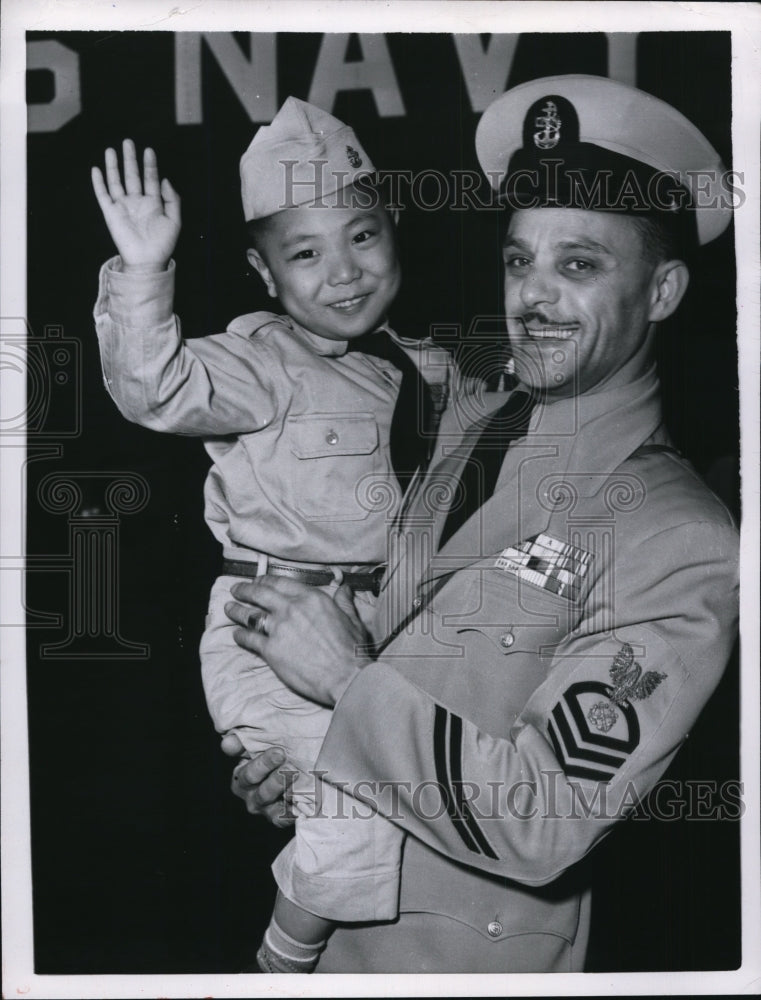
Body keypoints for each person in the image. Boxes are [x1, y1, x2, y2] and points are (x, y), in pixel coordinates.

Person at [224, 75, 740, 973]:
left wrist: (347, 684)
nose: (532, 297)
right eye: (517, 260)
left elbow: (543, 819)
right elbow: (401, 655)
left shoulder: (678, 539)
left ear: (661, 292)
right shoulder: (468, 422)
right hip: (331, 935)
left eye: (577, 265)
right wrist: (308, 753)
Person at [90, 97, 451, 972]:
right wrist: (143, 271)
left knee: (408, 798)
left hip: (380, 633)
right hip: (268, 622)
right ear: (263, 274)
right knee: (359, 809)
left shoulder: (432, 368)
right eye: (304, 253)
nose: (343, 274)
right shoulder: (259, 362)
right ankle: (278, 969)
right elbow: (157, 385)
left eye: (360, 236)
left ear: (392, 226)